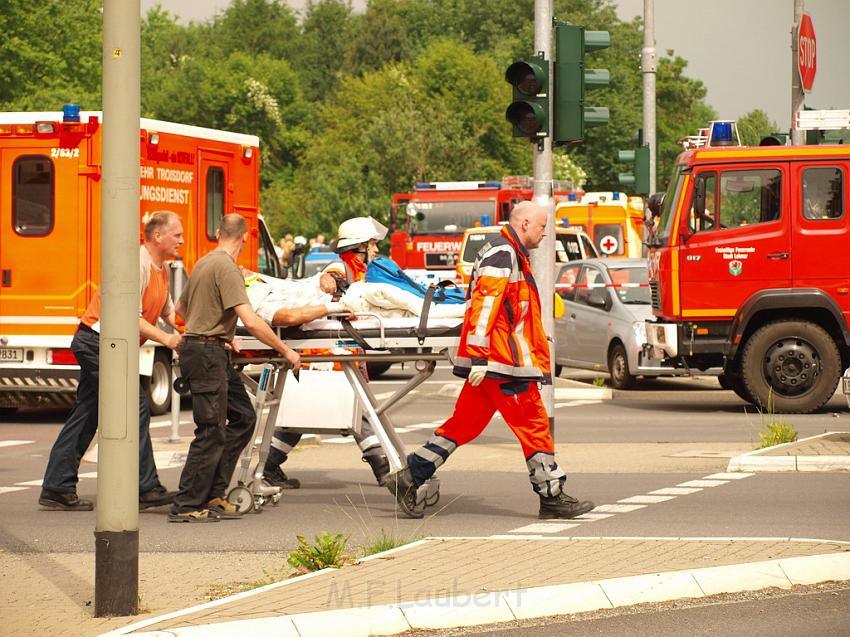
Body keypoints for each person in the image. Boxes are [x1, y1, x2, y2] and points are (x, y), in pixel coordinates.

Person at [390, 202, 596, 520]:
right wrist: (479, 357)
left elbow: (510, 311)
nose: (546, 234)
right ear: (525, 223)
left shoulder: (507, 252)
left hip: (496, 361)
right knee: (534, 426)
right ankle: (551, 495)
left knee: (463, 425)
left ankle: (411, 476)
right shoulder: (504, 253)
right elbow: (484, 308)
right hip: (501, 361)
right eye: (543, 227)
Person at [39, 212, 185, 511]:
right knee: (137, 408)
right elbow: (131, 317)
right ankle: (145, 487)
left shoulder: (162, 269)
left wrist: (193, 332)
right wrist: (169, 340)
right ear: (157, 236)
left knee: (88, 415)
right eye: (177, 235)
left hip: (109, 345)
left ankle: (56, 486)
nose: (182, 241)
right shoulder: (137, 264)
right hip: (98, 343)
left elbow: (168, 313)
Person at [169, 214, 301, 523]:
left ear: (218, 233)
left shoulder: (203, 262)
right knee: (211, 431)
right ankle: (187, 504)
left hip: (209, 348)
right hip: (206, 353)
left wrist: (215, 329)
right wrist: (286, 351)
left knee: (244, 417)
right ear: (244, 238)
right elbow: (252, 320)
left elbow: (179, 309)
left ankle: (214, 494)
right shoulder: (227, 268)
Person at [262, 216, 392, 490]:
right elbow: (328, 280)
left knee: (301, 413)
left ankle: (269, 465)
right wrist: (327, 279)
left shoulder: (358, 271)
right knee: (362, 410)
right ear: (358, 247)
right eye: (372, 244)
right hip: (325, 356)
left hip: (330, 353)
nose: (376, 250)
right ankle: (385, 472)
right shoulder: (340, 269)